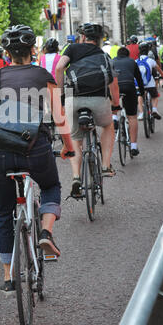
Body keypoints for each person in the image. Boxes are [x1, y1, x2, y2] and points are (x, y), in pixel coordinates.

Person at [0, 24, 74, 293]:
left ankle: (8, 277)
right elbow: (59, 117)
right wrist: (69, 147)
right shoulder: (42, 75)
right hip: (34, 148)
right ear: (33, 50)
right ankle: (45, 233)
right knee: (50, 187)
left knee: (3, 212)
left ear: (7, 53)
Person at [55, 23, 120, 198]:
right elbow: (113, 83)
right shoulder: (103, 55)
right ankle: (106, 165)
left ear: (83, 37)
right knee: (107, 126)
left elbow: (59, 68)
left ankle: (76, 177)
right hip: (99, 99)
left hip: (73, 98)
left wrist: (60, 95)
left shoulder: (72, 48)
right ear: (99, 40)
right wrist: (116, 104)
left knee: (75, 139)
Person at [112, 47, 145, 156]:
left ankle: (114, 117)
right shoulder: (132, 61)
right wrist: (141, 92)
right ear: (128, 55)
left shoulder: (112, 61)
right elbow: (139, 78)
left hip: (115, 86)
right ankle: (134, 146)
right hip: (129, 86)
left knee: (113, 102)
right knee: (132, 117)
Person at [137, 42, 163, 120]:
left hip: (140, 85)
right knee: (155, 96)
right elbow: (159, 70)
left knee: (140, 96)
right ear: (148, 51)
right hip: (150, 84)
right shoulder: (150, 60)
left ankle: (141, 113)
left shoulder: (136, 61)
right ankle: (154, 110)